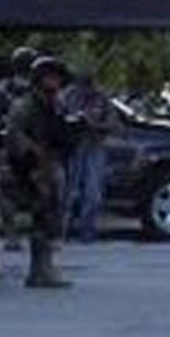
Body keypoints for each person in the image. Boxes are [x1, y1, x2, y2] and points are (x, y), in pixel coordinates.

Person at [7, 54, 78, 289]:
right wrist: (33, 164)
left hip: (50, 163)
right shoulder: (26, 106)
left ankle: (43, 268)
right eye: (50, 77)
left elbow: (59, 132)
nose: (55, 82)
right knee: (41, 215)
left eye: (57, 78)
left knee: (49, 215)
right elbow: (16, 137)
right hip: (34, 167)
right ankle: (40, 269)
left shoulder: (52, 105)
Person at [62, 70, 119, 242]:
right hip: (71, 147)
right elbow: (56, 118)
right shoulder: (67, 96)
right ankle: (63, 230)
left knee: (93, 193)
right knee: (68, 192)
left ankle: (88, 231)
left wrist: (95, 124)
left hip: (94, 146)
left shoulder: (101, 98)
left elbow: (113, 123)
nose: (86, 89)